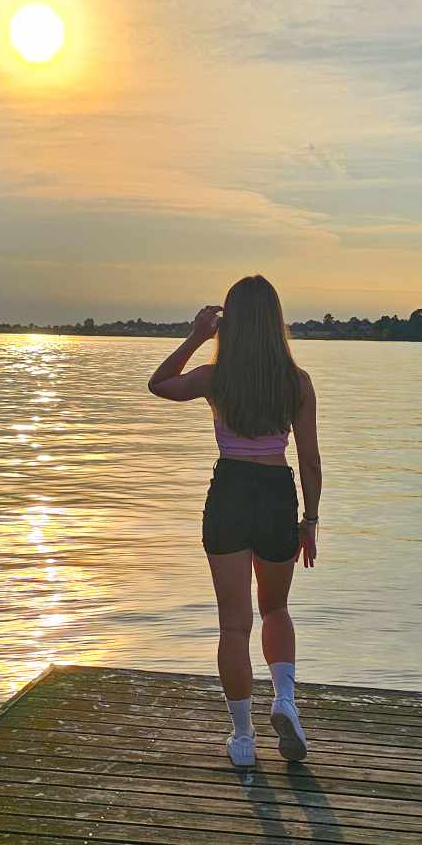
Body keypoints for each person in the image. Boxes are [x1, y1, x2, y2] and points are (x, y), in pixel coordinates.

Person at [148, 273, 321, 768]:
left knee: (233, 625)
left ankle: (243, 740)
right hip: (274, 494)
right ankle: (284, 700)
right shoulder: (296, 382)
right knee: (276, 609)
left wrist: (196, 336)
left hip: (229, 493)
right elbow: (309, 460)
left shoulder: (214, 377)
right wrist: (309, 519)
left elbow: (159, 384)